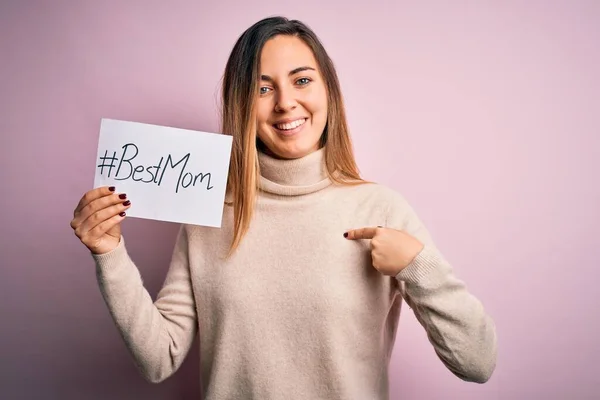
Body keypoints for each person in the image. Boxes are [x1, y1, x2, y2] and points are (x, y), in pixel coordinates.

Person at [70, 16, 497, 400]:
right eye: (262, 88)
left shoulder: (380, 208)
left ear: (328, 89)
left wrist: (418, 267)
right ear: (242, 103)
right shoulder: (209, 214)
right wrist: (109, 254)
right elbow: (158, 358)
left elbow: (477, 363)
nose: (285, 103)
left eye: (302, 80)